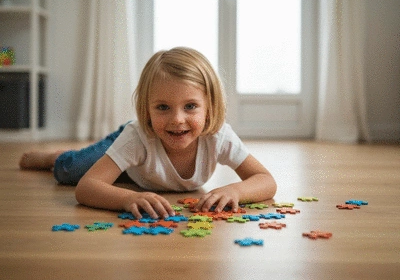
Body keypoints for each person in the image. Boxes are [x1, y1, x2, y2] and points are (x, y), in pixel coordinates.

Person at [19, 47, 277, 219]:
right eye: (162, 107)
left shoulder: (218, 136)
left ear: (210, 107)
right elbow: (86, 188)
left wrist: (235, 191)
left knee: (114, 175)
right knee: (72, 170)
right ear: (147, 109)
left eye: (190, 106)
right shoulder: (137, 136)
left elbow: (265, 180)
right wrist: (128, 198)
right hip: (133, 143)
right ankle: (55, 157)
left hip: (139, 166)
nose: (177, 120)